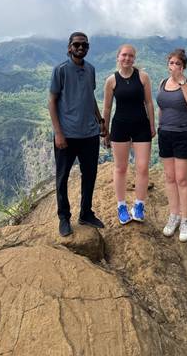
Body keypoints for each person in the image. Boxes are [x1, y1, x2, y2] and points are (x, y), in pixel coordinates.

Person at [48, 32, 108, 237]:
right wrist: (58, 133)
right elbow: (52, 101)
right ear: (69, 47)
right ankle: (64, 218)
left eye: (84, 45)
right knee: (62, 178)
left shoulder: (90, 69)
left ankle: (86, 213)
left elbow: (89, 97)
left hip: (89, 134)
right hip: (67, 135)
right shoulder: (61, 70)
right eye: (77, 45)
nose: (81, 48)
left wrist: (100, 121)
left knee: (90, 175)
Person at [103, 44, 155, 225]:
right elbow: (108, 107)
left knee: (142, 167)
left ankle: (139, 205)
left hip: (141, 125)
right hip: (120, 126)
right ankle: (121, 206)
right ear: (118, 57)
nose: (127, 58)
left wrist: (152, 125)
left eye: (131, 56)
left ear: (134, 59)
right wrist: (105, 130)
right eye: (124, 55)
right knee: (121, 168)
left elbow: (149, 102)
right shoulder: (111, 80)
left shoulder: (143, 77)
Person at [157, 48, 187, 242]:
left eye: (178, 64)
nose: (174, 67)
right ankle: (174, 215)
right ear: (168, 65)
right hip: (166, 133)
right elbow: (162, 107)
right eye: (172, 63)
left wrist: (182, 83)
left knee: (182, 179)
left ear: (183, 67)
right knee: (169, 177)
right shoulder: (162, 83)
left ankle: (186, 219)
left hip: (185, 134)